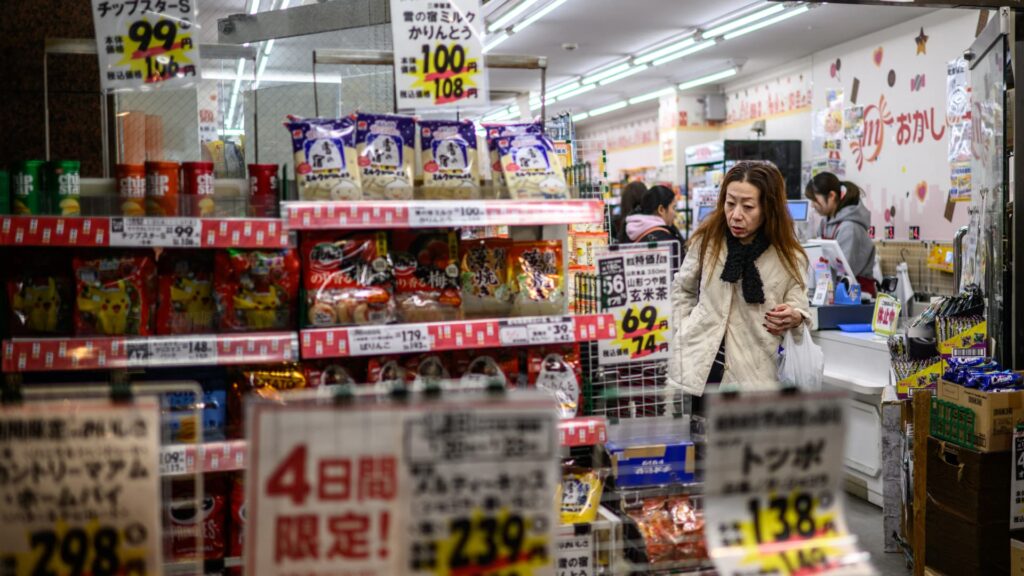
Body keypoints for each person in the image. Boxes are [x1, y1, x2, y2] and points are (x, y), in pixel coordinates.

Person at [667, 161, 810, 399]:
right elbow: (682, 289)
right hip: (699, 370)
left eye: (748, 207)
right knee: (696, 436)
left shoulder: (789, 256)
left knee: (742, 437)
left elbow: (800, 305)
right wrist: (684, 328)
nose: (736, 215)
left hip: (754, 375)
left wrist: (795, 316)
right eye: (730, 203)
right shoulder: (708, 241)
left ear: (768, 207)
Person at [805, 172, 877, 296]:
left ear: (832, 196)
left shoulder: (850, 227)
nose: (812, 205)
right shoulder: (824, 223)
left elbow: (844, 269)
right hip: (835, 291)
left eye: (815, 199)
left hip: (857, 294)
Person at [624, 185, 686, 269]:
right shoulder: (667, 239)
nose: (675, 214)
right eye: (673, 207)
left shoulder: (630, 231)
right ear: (661, 209)